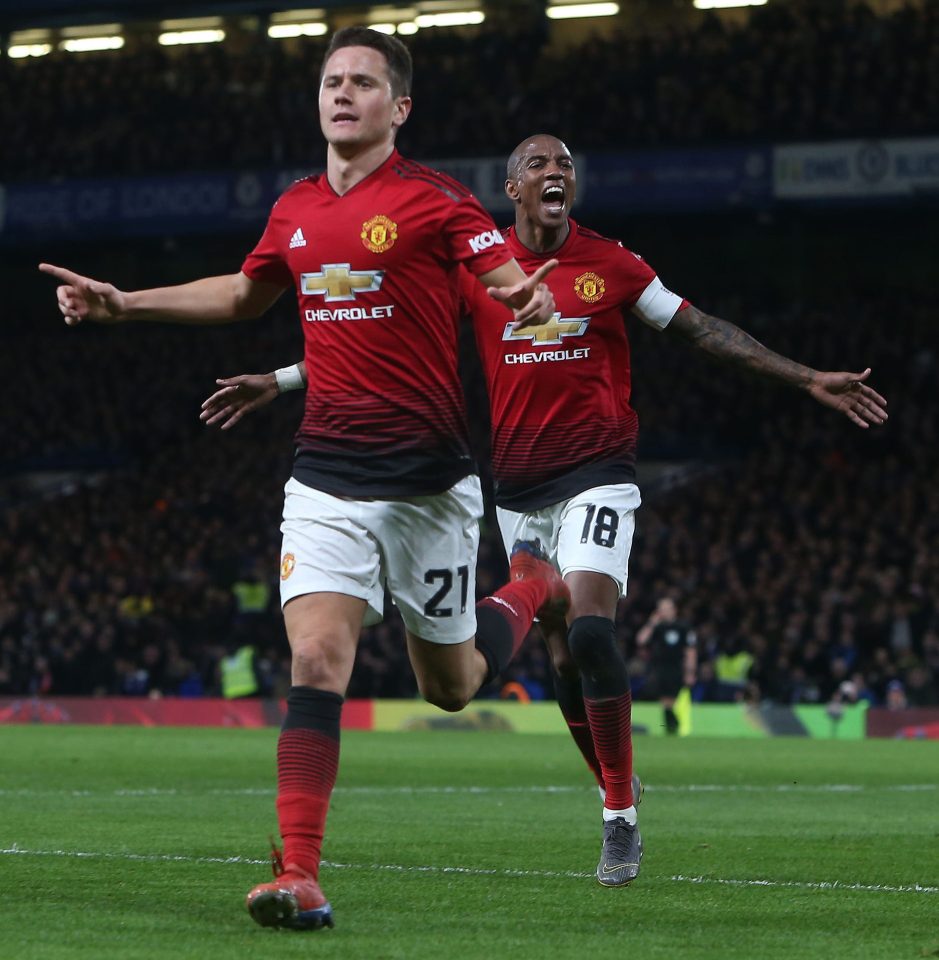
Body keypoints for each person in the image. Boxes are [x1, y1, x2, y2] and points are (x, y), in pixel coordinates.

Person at [201, 134, 889, 889]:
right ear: (512, 189)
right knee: (562, 655)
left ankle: (618, 811)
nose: (555, 173)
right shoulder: (476, 268)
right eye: (538, 165)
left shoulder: (614, 264)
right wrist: (282, 377)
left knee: (591, 627)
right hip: (515, 490)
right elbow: (392, 332)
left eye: (564, 165)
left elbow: (701, 329)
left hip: (598, 474)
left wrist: (803, 378)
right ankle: (611, 784)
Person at [38, 30, 570, 933]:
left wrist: (530, 295)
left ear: (397, 107)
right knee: (318, 659)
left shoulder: (437, 201)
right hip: (324, 477)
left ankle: (531, 584)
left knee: (452, 686)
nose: (343, 93)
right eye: (332, 80)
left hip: (430, 489)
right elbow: (246, 296)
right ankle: (299, 872)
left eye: (363, 81)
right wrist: (127, 302)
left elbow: (507, 274)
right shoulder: (292, 208)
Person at [636, 597, 697, 733]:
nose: (663, 612)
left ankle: (673, 724)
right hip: (658, 669)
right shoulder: (657, 627)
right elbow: (641, 640)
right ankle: (671, 725)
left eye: (666, 608)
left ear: (674, 610)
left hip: (676, 668)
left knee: (671, 698)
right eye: (661, 609)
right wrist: (652, 622)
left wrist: (690, 672)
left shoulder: (683, 627)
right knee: (663, 698)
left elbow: (690, 651)